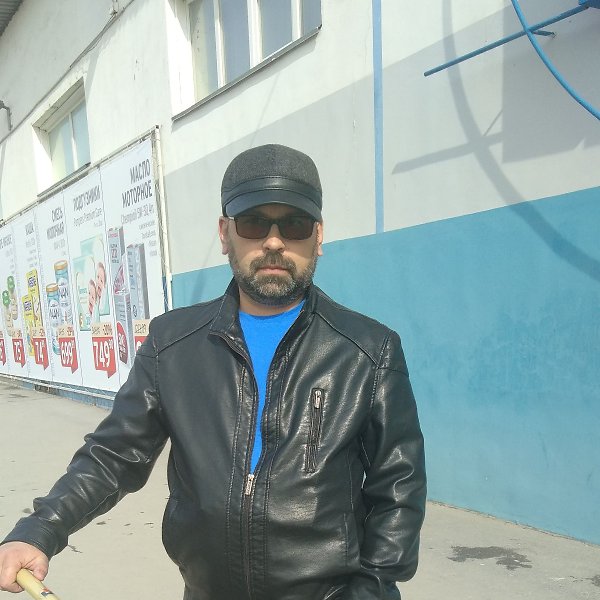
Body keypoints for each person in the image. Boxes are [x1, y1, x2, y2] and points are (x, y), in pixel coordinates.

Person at [0, 144, 426, 600]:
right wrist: (40, 529)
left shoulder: (368, 350)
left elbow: (398, 487)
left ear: (318, 236)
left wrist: (371, 589)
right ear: (225, 233)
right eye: (253, 223)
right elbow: (114, 454)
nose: (274, 242)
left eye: (295, 224)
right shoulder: (172, 344)